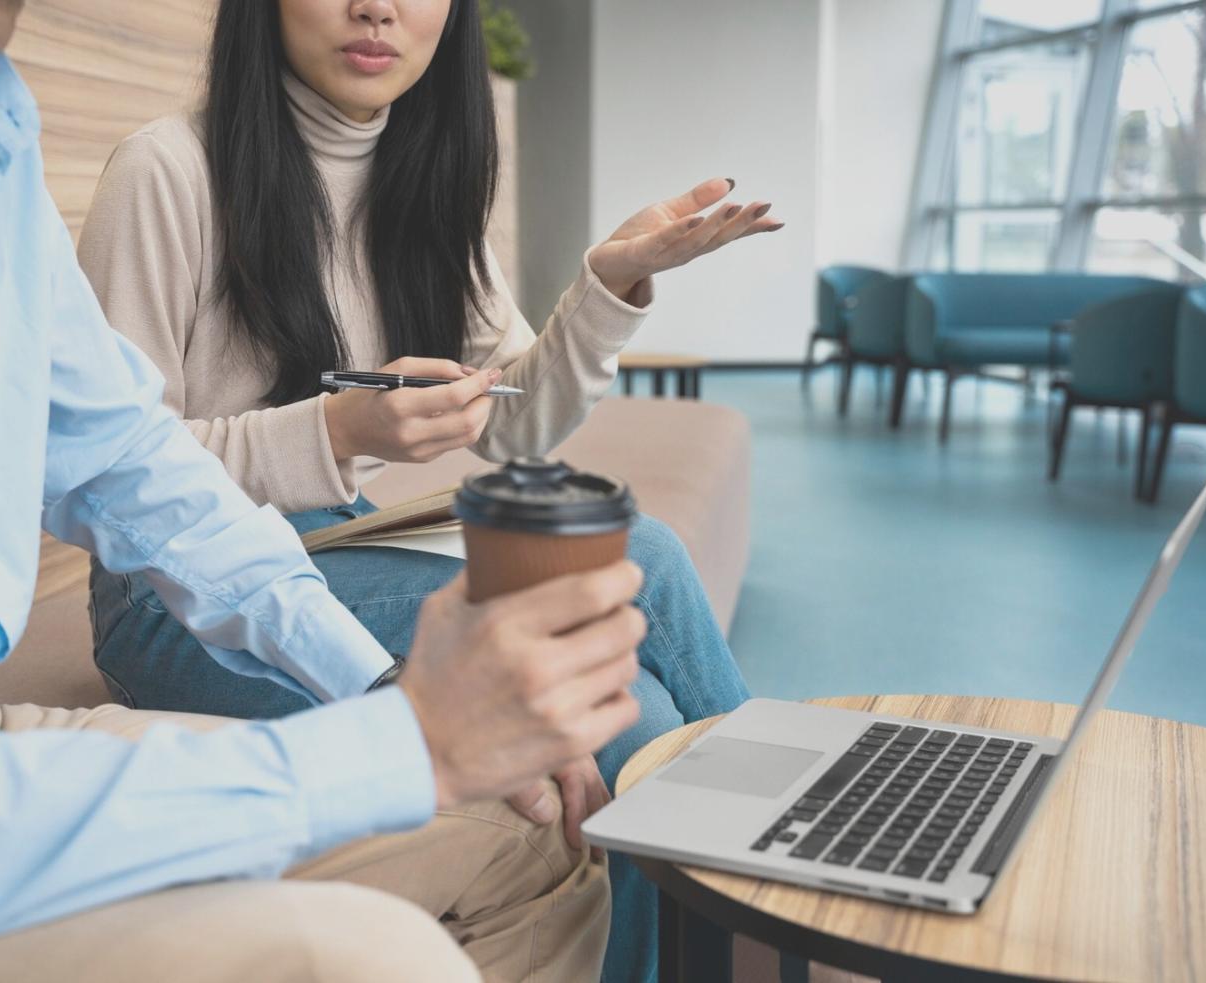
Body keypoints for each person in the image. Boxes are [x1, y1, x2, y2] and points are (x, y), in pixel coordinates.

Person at [0, 2, 653, 980]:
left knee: (530, 832)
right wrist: (403, 743)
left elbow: (129, 459)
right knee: (382, 954)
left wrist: (386, 691)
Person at [76, 2, 781, 979]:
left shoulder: (422, 179)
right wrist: (333, 432)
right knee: (630, 682)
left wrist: (607, 288)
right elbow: (108, 473)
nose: (378, 6)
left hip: (342, 542)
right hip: (171, 597)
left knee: (640, 622)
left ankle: (779, 863)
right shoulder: (166, 170)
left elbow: (514, 420)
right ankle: (794, 861)